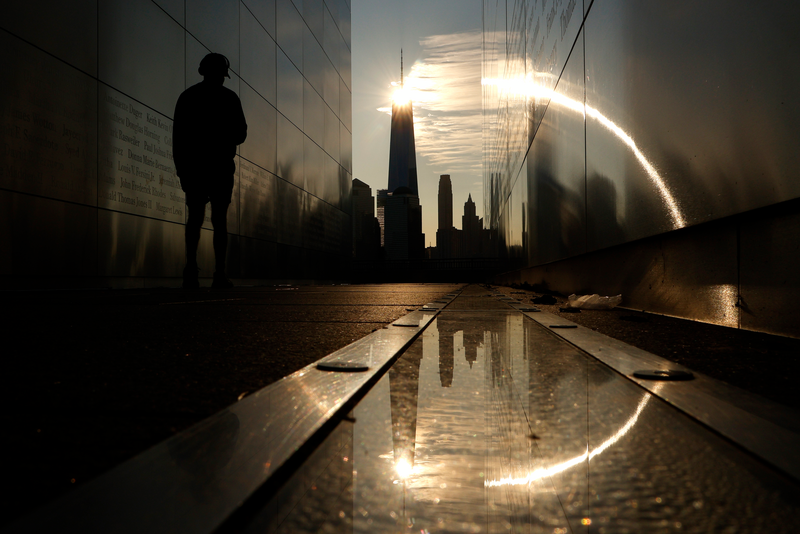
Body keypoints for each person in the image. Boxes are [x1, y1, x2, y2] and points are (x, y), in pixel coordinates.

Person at [173, 53, 247, 289]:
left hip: (197, 167)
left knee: (196, 218)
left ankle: (192, 270)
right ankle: (218, 273)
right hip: (218, 167)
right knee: (218, 220)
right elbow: (241, 134)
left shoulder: (188, 97)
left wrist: (182, 171)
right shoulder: (229, 98)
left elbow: (179, 140)